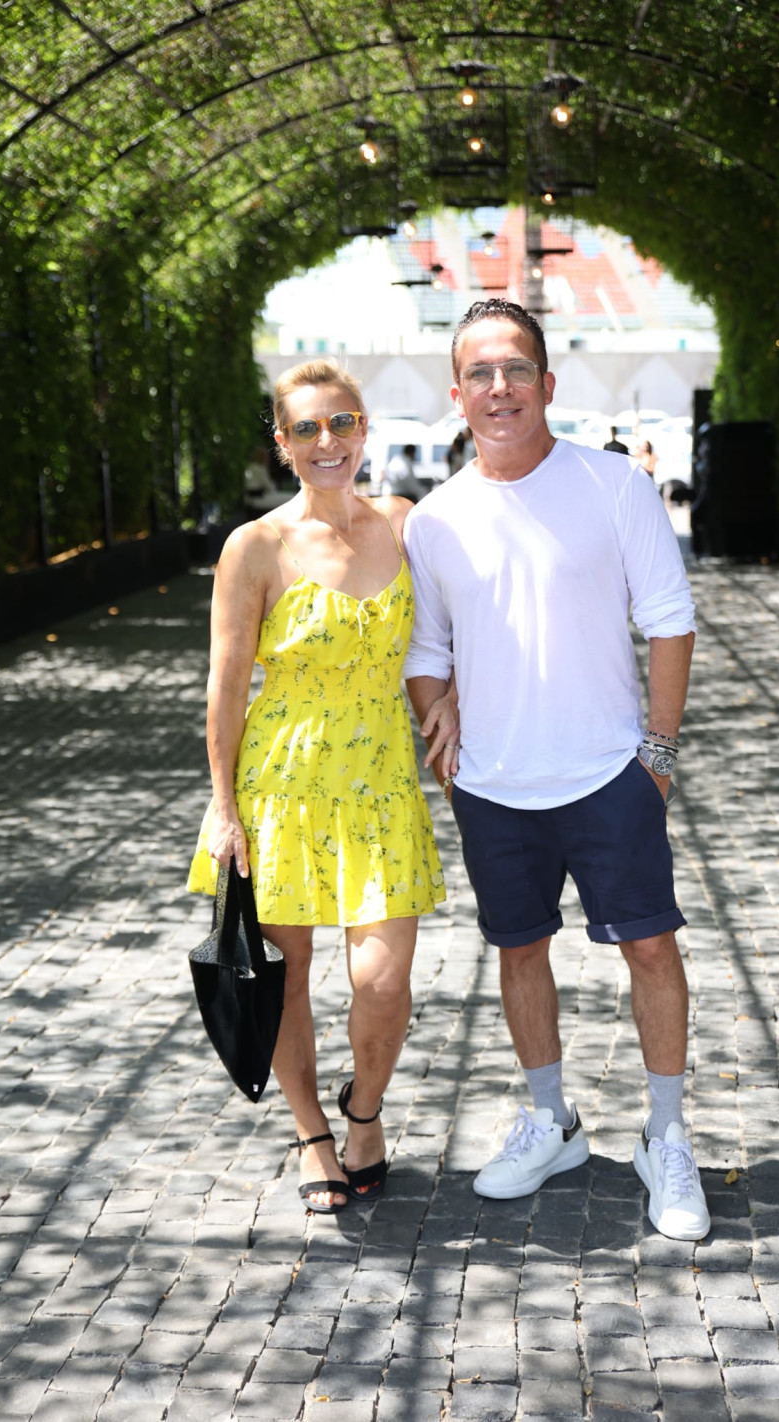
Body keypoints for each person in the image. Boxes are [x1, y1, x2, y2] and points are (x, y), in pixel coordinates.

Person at [403, 298, 710, 1241]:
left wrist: (654, 757)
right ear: (458, 394)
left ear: (547, 381)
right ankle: (553, 1119)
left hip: (610, 773)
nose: (501, 388)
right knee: (519, 949)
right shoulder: (437, 520)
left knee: (651, 948)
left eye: (517, 370)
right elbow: (427, 649)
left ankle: (666, 1135)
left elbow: (670, 621)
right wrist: (435, 714)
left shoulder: (614, 486)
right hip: (494, 785)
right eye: (481, 375)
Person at [187, 358, 457, 1215]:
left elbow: (458, 624)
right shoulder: (255, 546)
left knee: (383, 983)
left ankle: (363, 1111)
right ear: (282, 444)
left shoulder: (405, 523)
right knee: (288, 977)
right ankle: (312, 1135)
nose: (326, 441)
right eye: (305, 428)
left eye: (340, 423)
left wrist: (451, 700)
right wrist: (226, 811)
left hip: (381, 782)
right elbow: (226, 689)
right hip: (283, 789)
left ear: (363, 429)